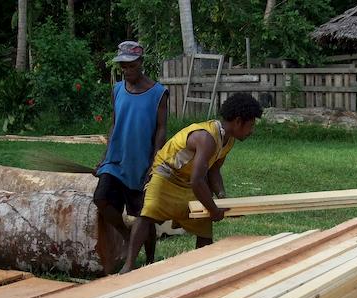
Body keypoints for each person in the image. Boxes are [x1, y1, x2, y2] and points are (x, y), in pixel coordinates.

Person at [119, 93, 263, 274]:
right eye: (251, 125)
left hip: (188, 181)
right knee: (148, 212)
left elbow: (214, 171)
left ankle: (201, 269)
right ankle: (128, 266)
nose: (252, 131)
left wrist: (221, 198)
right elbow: (197, 181)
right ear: (238, 121)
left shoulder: (228, 140)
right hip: (166, 175)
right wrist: (213, 210)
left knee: (203, 226)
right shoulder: (207, 138)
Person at [94, 41, 169, 273]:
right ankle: (127, 235)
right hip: (116, 159)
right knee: (101, 199)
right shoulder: (117, 89)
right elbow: (115, 123)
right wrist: (105, 156)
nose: (127, 70)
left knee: (143, 214)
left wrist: (154, 162)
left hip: (141, 162)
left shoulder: (158, 93)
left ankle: (150, 259)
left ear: (141, 64)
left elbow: (161, 129)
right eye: (123, 67)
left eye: (131, 66)